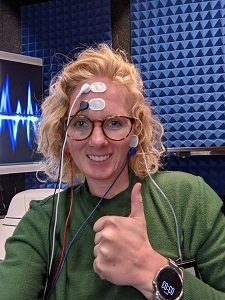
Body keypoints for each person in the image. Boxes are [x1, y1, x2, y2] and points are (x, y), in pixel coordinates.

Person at [0, 43, 224, 300]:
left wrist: (152, 271)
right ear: (64, 136)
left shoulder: (188, 200)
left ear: (135, 131)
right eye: (81, 123)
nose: (97, 140)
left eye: (115, 123)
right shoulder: (43, 223)